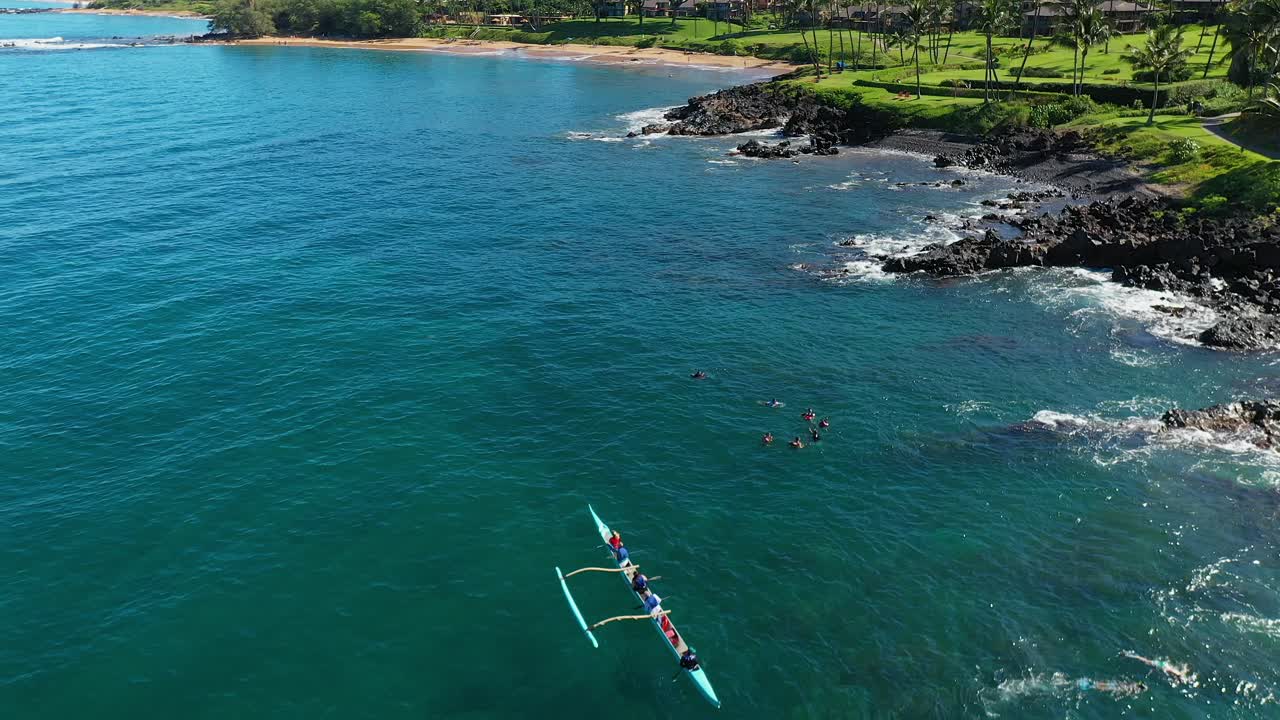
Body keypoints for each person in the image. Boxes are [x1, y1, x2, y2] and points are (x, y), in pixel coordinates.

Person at [1121, 651, 1195, 685]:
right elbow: (1169, 671)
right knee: (1145, 661)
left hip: (1164, 664)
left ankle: (1130, 655)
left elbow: (1183, 672)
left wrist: (1186, 669)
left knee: (1146, 661)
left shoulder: (1179, 673)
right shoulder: (1176, 674)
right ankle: (1129, 655)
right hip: (1162, 666)